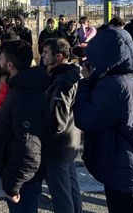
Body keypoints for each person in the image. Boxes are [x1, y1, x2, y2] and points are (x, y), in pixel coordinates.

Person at [73, 28, 133, 213]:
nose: (86, 63)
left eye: (90, 60)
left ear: (106, 58)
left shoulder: (115, 86)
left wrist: (86, 82)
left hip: (129, 175)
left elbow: (84, 119)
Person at [0, 40, 49, 213]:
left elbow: (28, 149)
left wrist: (13, 184)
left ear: (10, 64)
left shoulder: (24, 96)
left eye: (0, 58)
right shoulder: (19, 88)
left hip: (23, 181)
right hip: (18, 174)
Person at [40, 38, 82, 213]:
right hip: (70, 141)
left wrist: (43, 138)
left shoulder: (62, 81)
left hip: (58, 145)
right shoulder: (70, 74)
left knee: (61, 194)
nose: (42, 56)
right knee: (70, 187)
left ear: (58, 56)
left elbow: (57, 121)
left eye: (46, 53)